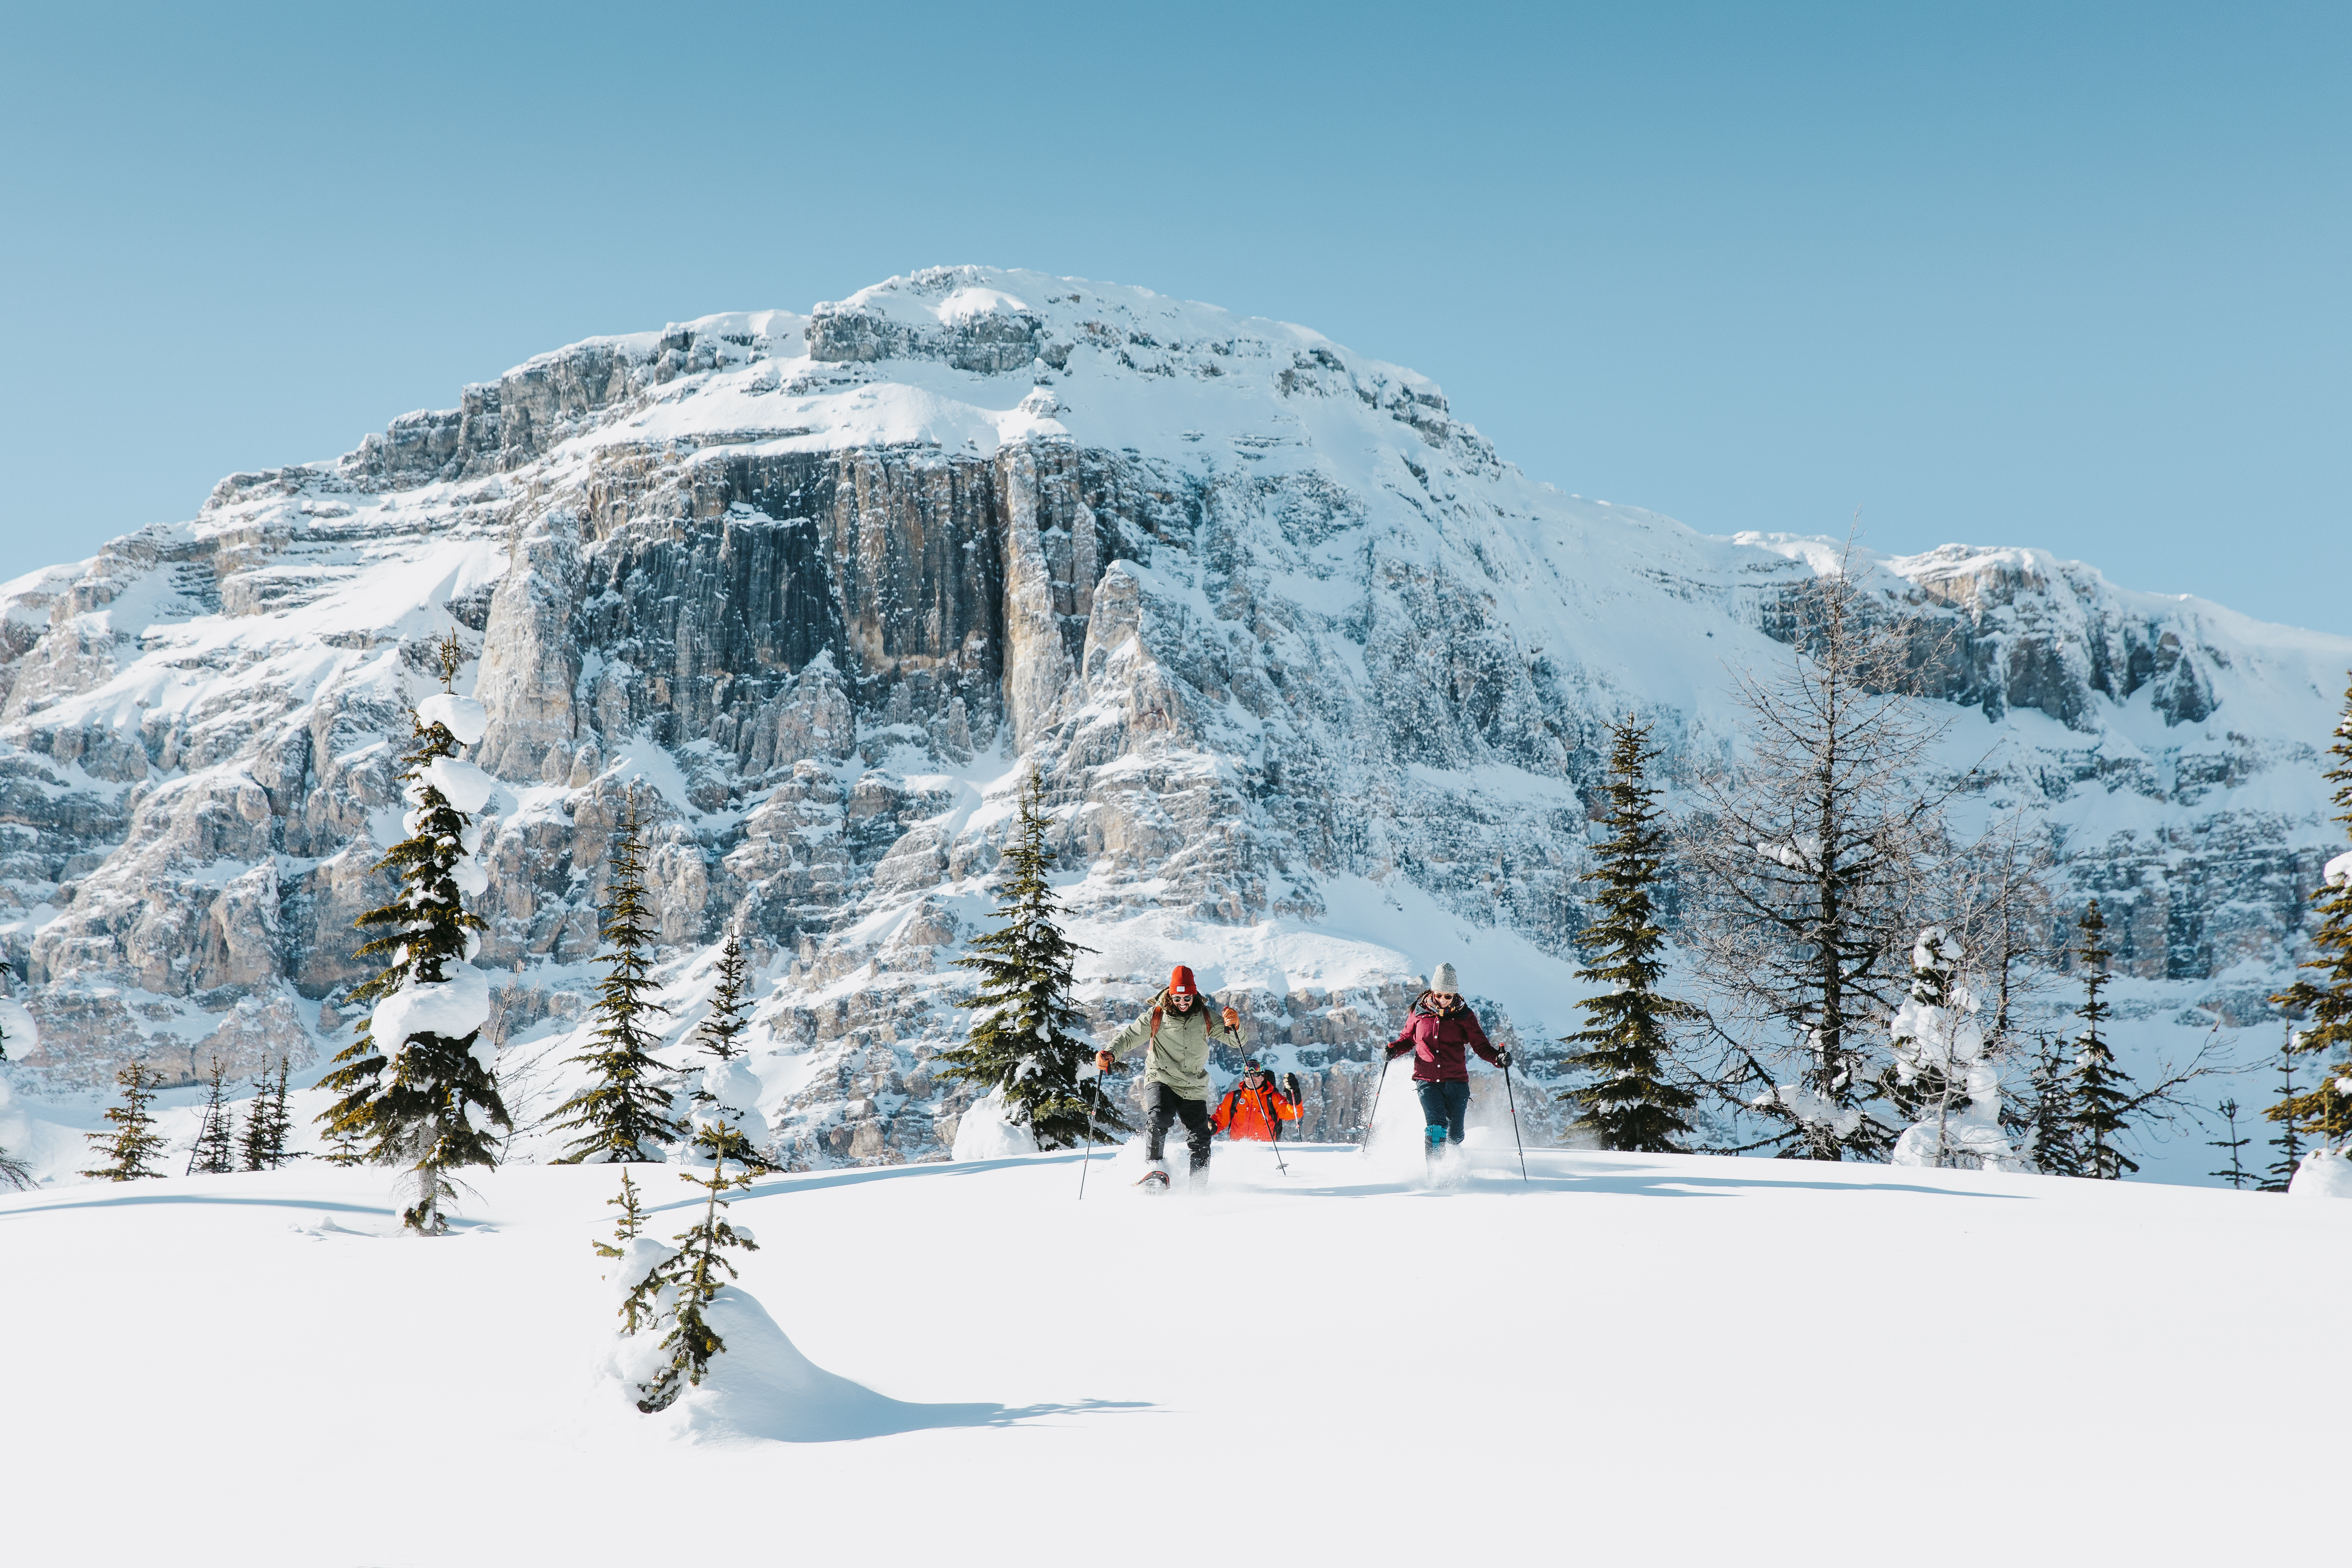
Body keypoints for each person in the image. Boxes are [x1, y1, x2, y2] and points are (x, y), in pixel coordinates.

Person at [1097, 965, 1245, 1191]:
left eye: (1187, 998)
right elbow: (1130, 1036)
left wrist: (1235, 1026)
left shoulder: (1207, 1017)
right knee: (1160, 1117)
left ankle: (1198, 1188)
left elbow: (1237, 1042)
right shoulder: (1156, 1015)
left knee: (1200, 1137)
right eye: (1177, 998)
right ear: (1171, 994)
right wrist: (1110, 1052)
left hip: (1193, 1085)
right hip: (1161, 1078)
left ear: (1194, 995)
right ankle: (1154, 1170)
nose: (1182, 1003)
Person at [1381, 962, 1508, 1161]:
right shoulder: (1419, 1013)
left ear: (1455, 995)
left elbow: (1481, 1046)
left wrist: (1498, 1059)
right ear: (1433, 992)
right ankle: (1437, 1174)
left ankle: (1454, 1160)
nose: (1442, 1000)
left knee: (1455, 1134)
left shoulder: (1465, 1016)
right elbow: (1407, 1039)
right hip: (1427, 1080)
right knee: (1436, 1126)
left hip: (1456, 1081)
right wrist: (1394, 1050)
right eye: (1438, 995)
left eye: (1447, 996)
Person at [1213, 1058, 1303, 1143]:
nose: (1252, 1078)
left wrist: (1295, 1094)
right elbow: (1220, 1121)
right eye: (1248, 1075)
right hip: (1238, 1150)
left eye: (1256, 1075)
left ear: (1263, 1078)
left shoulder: (1273, 1098)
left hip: (1267, 1150)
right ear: (1244, 1078)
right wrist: (1210, 1125)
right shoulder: (1233, 1098)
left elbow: (1293, 1113)